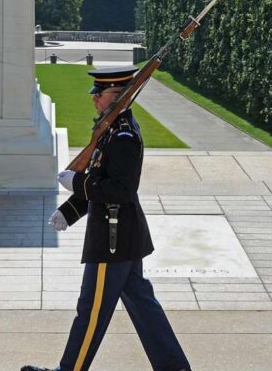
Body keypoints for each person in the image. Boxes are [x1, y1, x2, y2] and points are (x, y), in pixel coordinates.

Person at [21, 66, 191, 371]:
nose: (94, 100)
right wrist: (69, 211)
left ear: (118, 95)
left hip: (113, 240)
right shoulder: (111, 129)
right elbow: (100, 179)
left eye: (99, 94)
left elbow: (119, 190)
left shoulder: (123, 135)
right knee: (143, 306)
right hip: (123, 237)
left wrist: (76, 183)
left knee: (91, 311)